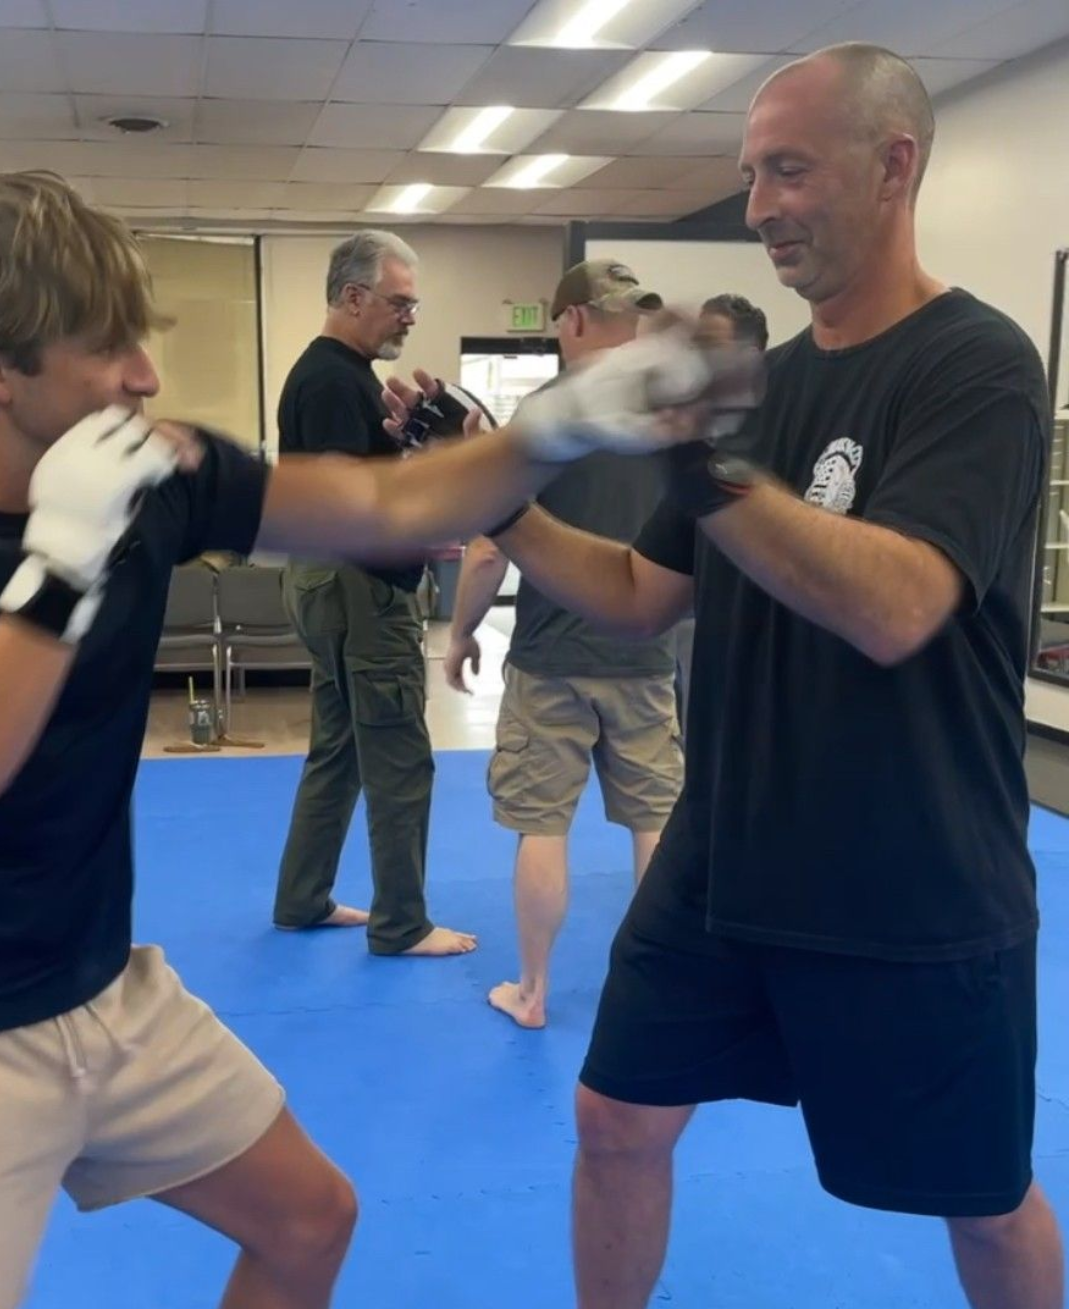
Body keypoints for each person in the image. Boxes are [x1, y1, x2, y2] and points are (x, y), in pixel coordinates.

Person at [0, 170, 740, 1309]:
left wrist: (558, 426)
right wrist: (59, 568)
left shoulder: (157, 476)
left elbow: (388, 506)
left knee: (307, 1221)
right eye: (104, 348)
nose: (143, 375)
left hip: (101, 993)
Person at [409, 42, 1063, 1309]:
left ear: (894, 166)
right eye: (751, 173)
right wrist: (499, 490)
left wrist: (699, 460)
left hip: (912, 869)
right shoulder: (764, 392)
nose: (760, 206)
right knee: (613, 1117)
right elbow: (637, 594)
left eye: (789, 170)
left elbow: (898, 602)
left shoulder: (976, 364)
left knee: (977, 1197)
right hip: (730, 851)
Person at [444, 259, 683, 1028]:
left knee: (541, 825)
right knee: (653, 821)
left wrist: (460, 633)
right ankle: (654, 987)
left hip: (551, 657)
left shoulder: (542, 417)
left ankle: (534, 990)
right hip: (645, 652)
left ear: (569, 319)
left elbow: (488, 549)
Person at [272, 231, 474, 958]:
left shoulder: (337, 375)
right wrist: (429, 462)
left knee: (340, 749)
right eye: (398, 303)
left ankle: (301, 897)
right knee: (398, 754)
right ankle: (402, 923)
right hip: (360, 586)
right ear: (353, 297)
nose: (409, 317)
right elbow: (349, 498)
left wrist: (408, 447)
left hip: (328, 580)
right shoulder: (332, 379)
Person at [673, 292, 770, 721]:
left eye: (710, 347)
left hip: (754, 621)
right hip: (686, 608)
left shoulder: (775, 431)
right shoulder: (690, 427)